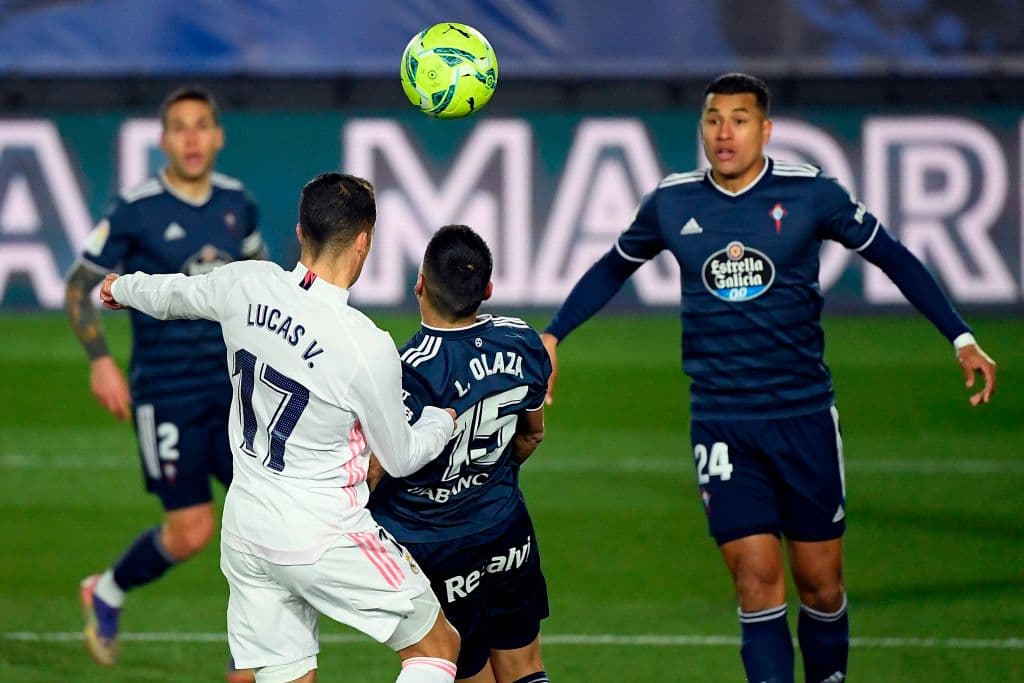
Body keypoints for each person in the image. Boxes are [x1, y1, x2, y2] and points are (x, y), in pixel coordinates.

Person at [541, 72, 997, 683]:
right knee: (755, 583)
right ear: (700, 127)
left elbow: (892, 254)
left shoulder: (811, 194)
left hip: (803, 417)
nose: (724, 132)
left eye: (739, 118)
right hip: (722, 421)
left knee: (821, 584)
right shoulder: (672, 202)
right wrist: (554, 333)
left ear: (766, 129)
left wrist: (960, 336)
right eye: (712, 119)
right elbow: (612, 267)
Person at [98, 172, 462, 683]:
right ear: (364, 243)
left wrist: (121, 287)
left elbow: (174, 294)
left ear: (299, 232)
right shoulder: (364, 343)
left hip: (247, 533)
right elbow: (400, 458)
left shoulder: (245, 283)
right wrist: (440, 422)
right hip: (323, 535)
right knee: (437, 644)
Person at [65, 85, 265, 678]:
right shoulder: (136, 208)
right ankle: (107, 588)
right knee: (193, 530)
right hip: (166, 391)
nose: (193, 138)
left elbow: (261, 282)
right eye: (180, 127)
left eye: (202, 125)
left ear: (219, 135)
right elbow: (80, 285)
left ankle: (248, 660)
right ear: (164, 140)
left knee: (258, 522)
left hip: (234, 393)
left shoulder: (238, 204)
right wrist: (101, 359)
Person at [368, 225, 553, 683]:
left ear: (419, 284)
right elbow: (531, 436)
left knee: (460, 669)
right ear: (487, 289)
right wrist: (484, 482)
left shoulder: (405, 369)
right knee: (526, 665)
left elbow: (379, 469)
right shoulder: (522, 341)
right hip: (507, 529)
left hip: (434, 546)